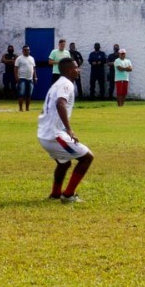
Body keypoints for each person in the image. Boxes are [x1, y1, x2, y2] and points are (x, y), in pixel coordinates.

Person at [37, 57, 93, 204]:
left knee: (64, 163)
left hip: (44, 134)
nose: (78, 70)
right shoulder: (66, 84)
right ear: (69, 70)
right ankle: (68, 195)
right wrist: (69, 129)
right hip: (54, 135)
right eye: (76, 67)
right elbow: (60, 103)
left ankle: (55, 194)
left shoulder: (57, 84)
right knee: (87, 158)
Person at [15, 45, 37, 112]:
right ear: (22, 51)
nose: (26, 51)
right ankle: (20, 108)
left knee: (29, 95)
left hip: (30, 79)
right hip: (22, 78)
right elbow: (15, 69)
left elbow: (34, 68)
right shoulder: (19, 58)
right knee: (21, 94)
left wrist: (35, 77)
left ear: (29, 51)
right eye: (25, 50)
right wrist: (16, 77)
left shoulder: (32, 58)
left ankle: (27, 108)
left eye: (28, 50)